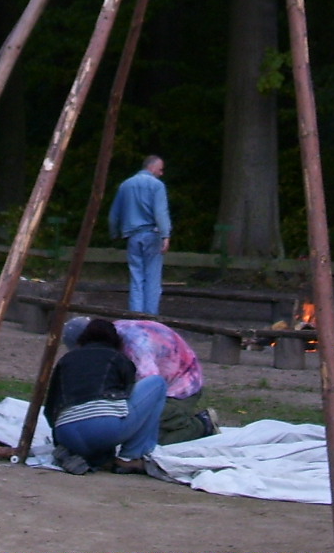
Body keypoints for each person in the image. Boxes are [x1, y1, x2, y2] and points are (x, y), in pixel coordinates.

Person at [62, 315, 217, 444]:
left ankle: (202, 425)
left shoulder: (135, 347)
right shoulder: (111, 337)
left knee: (144, 437)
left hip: (180, 386)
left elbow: (151, 390)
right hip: (159, 379)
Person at [46, 317, 166, 474]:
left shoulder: (66, 360)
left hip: (65, 434)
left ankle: (93, 456)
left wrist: (61, 437)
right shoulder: (119, 358)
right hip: (104, 430)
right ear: (115, 340)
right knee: (158, 383)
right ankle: (129, 457)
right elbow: (127, 397)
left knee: (95, 429)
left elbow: (50, 408)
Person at [108, 154, 171, 314]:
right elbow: (160, 212)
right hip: (152, 235)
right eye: (160, 169)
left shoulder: (125, 185)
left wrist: (115, 234)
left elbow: (114, 215)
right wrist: (165, 235)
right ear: (152, 167)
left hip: (133, 237)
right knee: (152, 279)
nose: (161, 173)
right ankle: (150, 317)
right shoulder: (157, 186)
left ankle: (135, 316)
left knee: (136, 278)